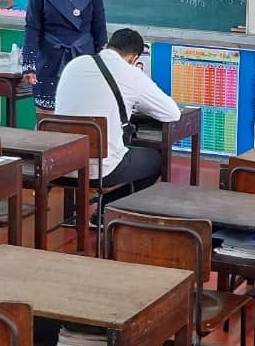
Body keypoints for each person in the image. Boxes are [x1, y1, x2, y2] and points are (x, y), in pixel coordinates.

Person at [55, 28, 180, 214]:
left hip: (59, 163)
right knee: (157, 159)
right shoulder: (131, 73)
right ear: (134, 58)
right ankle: (107, 211)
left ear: (108, 46)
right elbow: (172, 113)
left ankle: (93, 213)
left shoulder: (75, 64)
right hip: (99, 170)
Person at [22, 0, 108, 112]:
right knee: (48, 119)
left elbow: (99, 30)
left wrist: (104, 64)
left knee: (82, 116)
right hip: (49, 62)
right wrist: (29, 65)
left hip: (84, 61)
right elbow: (32, 28)